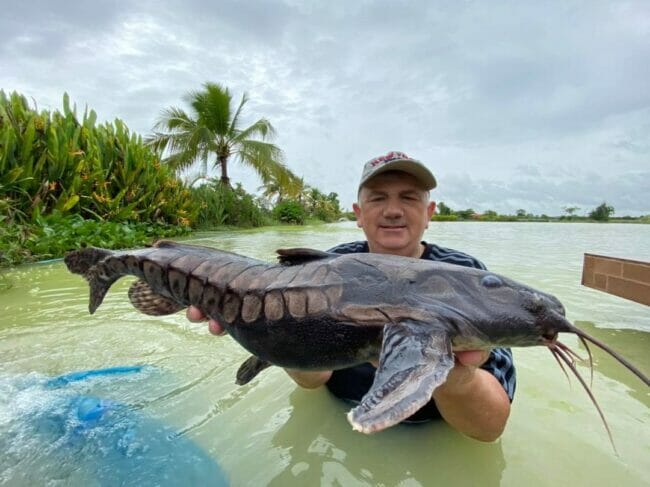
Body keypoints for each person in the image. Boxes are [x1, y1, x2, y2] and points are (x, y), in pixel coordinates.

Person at [187, 151, 515, 441]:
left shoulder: (470, 277)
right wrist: (265, 331)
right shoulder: (326, 267)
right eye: (378, 198)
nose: (393, 211)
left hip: (434, 433)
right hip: (339, 426)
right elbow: (312, 381)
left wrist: (450, 372)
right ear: (358, 213)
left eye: (409, 198)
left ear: (429, 212)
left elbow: (489, 430)